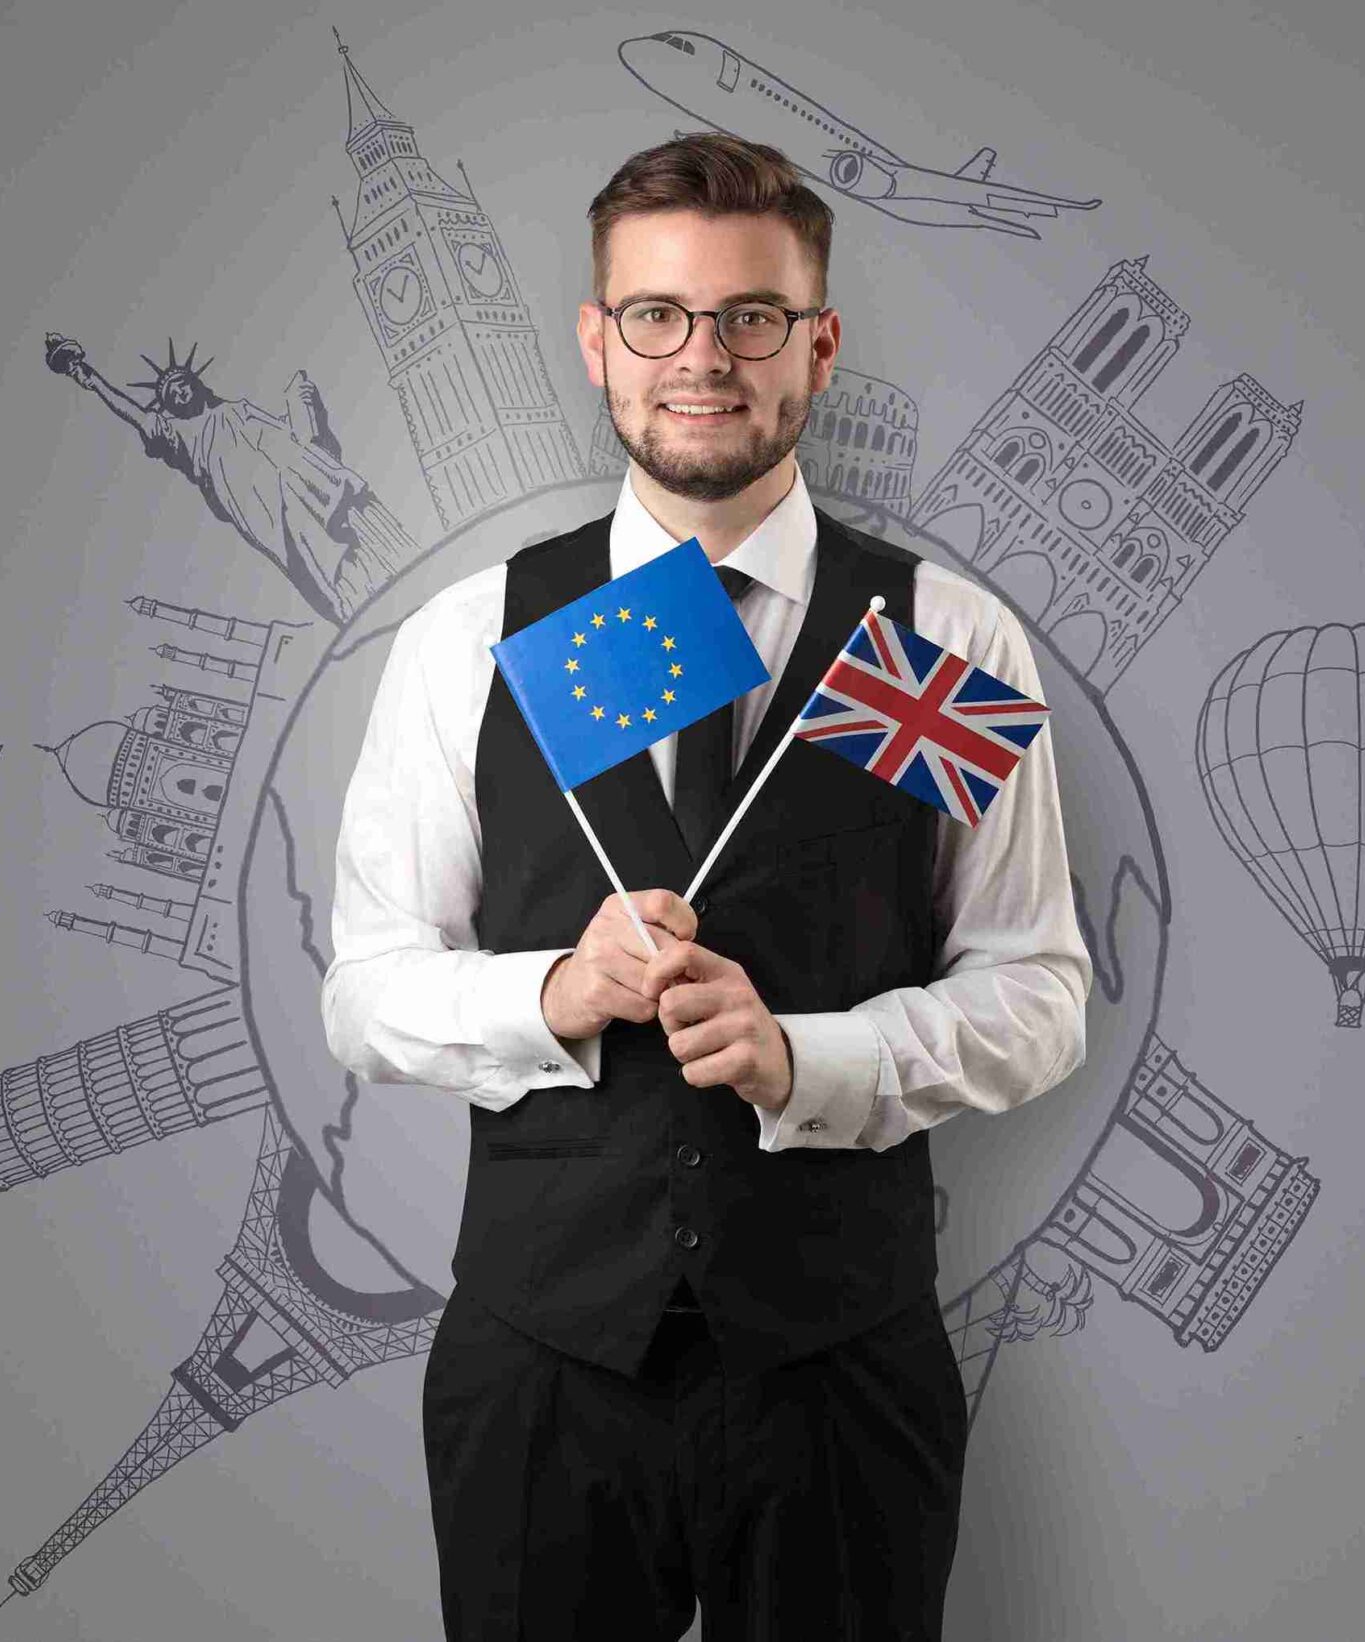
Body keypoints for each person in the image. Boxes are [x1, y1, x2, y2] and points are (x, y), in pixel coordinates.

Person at [321, 132, 1091, 1642]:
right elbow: (365, 986)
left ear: (820, 342)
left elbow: (1040, 993)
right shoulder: (473, 638)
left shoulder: (933, 641)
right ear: (598, 341)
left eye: (752, 316)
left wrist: (819, 1057)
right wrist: (554, 992)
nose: (705, 358)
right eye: (660, 316)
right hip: (544, 1362)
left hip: (841, 1366)